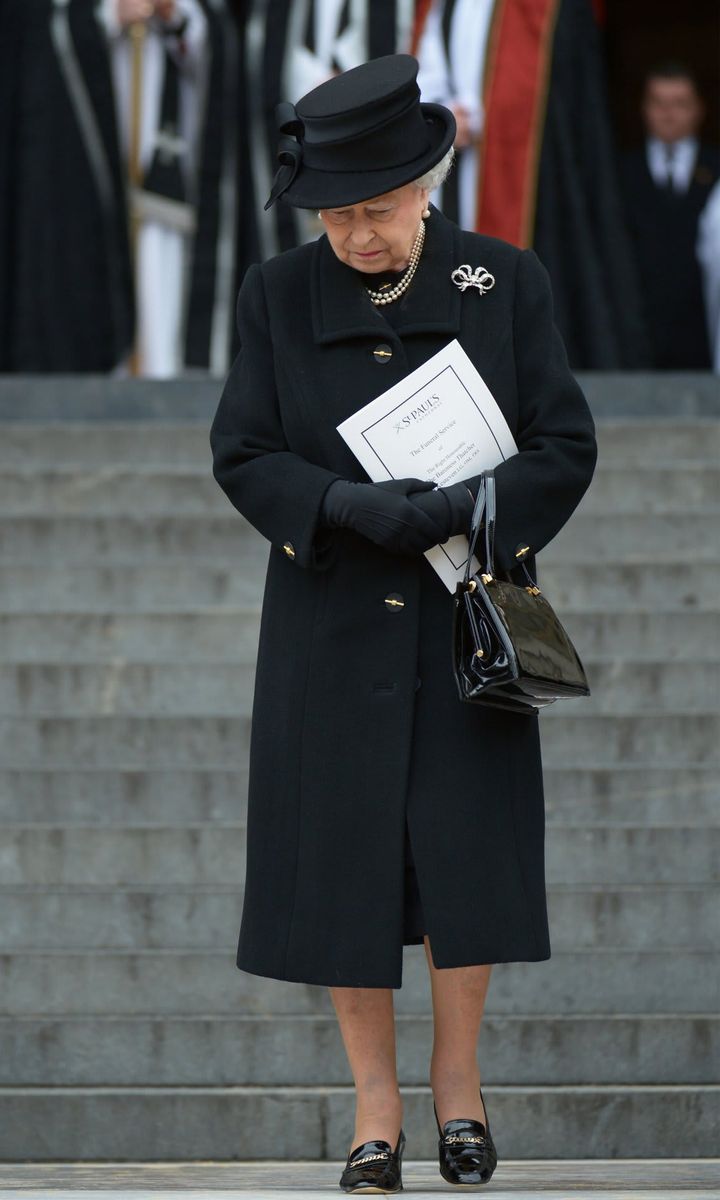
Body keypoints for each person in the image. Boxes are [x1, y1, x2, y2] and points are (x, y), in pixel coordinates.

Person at [210, 54, 597, 1193]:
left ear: (428, 183)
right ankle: (373, 1111)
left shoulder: (504, 281)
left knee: (467, 863)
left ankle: (459, 1090)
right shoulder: (277, 292)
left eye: (375, 212)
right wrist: (338, 504)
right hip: (331, 622)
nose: (354, 237)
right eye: (334, 215)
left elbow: (564, 445)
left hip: (464, 621)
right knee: (340, 872)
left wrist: (472, 509)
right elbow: (242, 450)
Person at [414, 0, 651, 369]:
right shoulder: (434, 7)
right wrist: (439, 114)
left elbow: (566, 107)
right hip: (449, 169)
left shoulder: (549, 11)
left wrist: (481, 118)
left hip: (536, 181)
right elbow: (424, 66)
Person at [620, 61, 720, 369]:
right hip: (638, 329)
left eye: (680, 104)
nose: (669, 114)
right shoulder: (620, 172)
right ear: (644, 109)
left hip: (704, 327)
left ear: (699, 109)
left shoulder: (717, 169)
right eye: (659, 103)